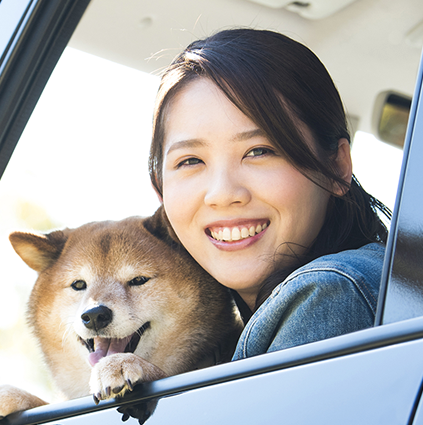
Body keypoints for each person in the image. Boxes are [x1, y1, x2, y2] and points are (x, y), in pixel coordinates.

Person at [147, 28, 391, 360]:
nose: (222, 193)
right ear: (160, 188)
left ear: (336, 166)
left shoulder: (330, 292)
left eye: (259, 151)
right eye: (190, 160)